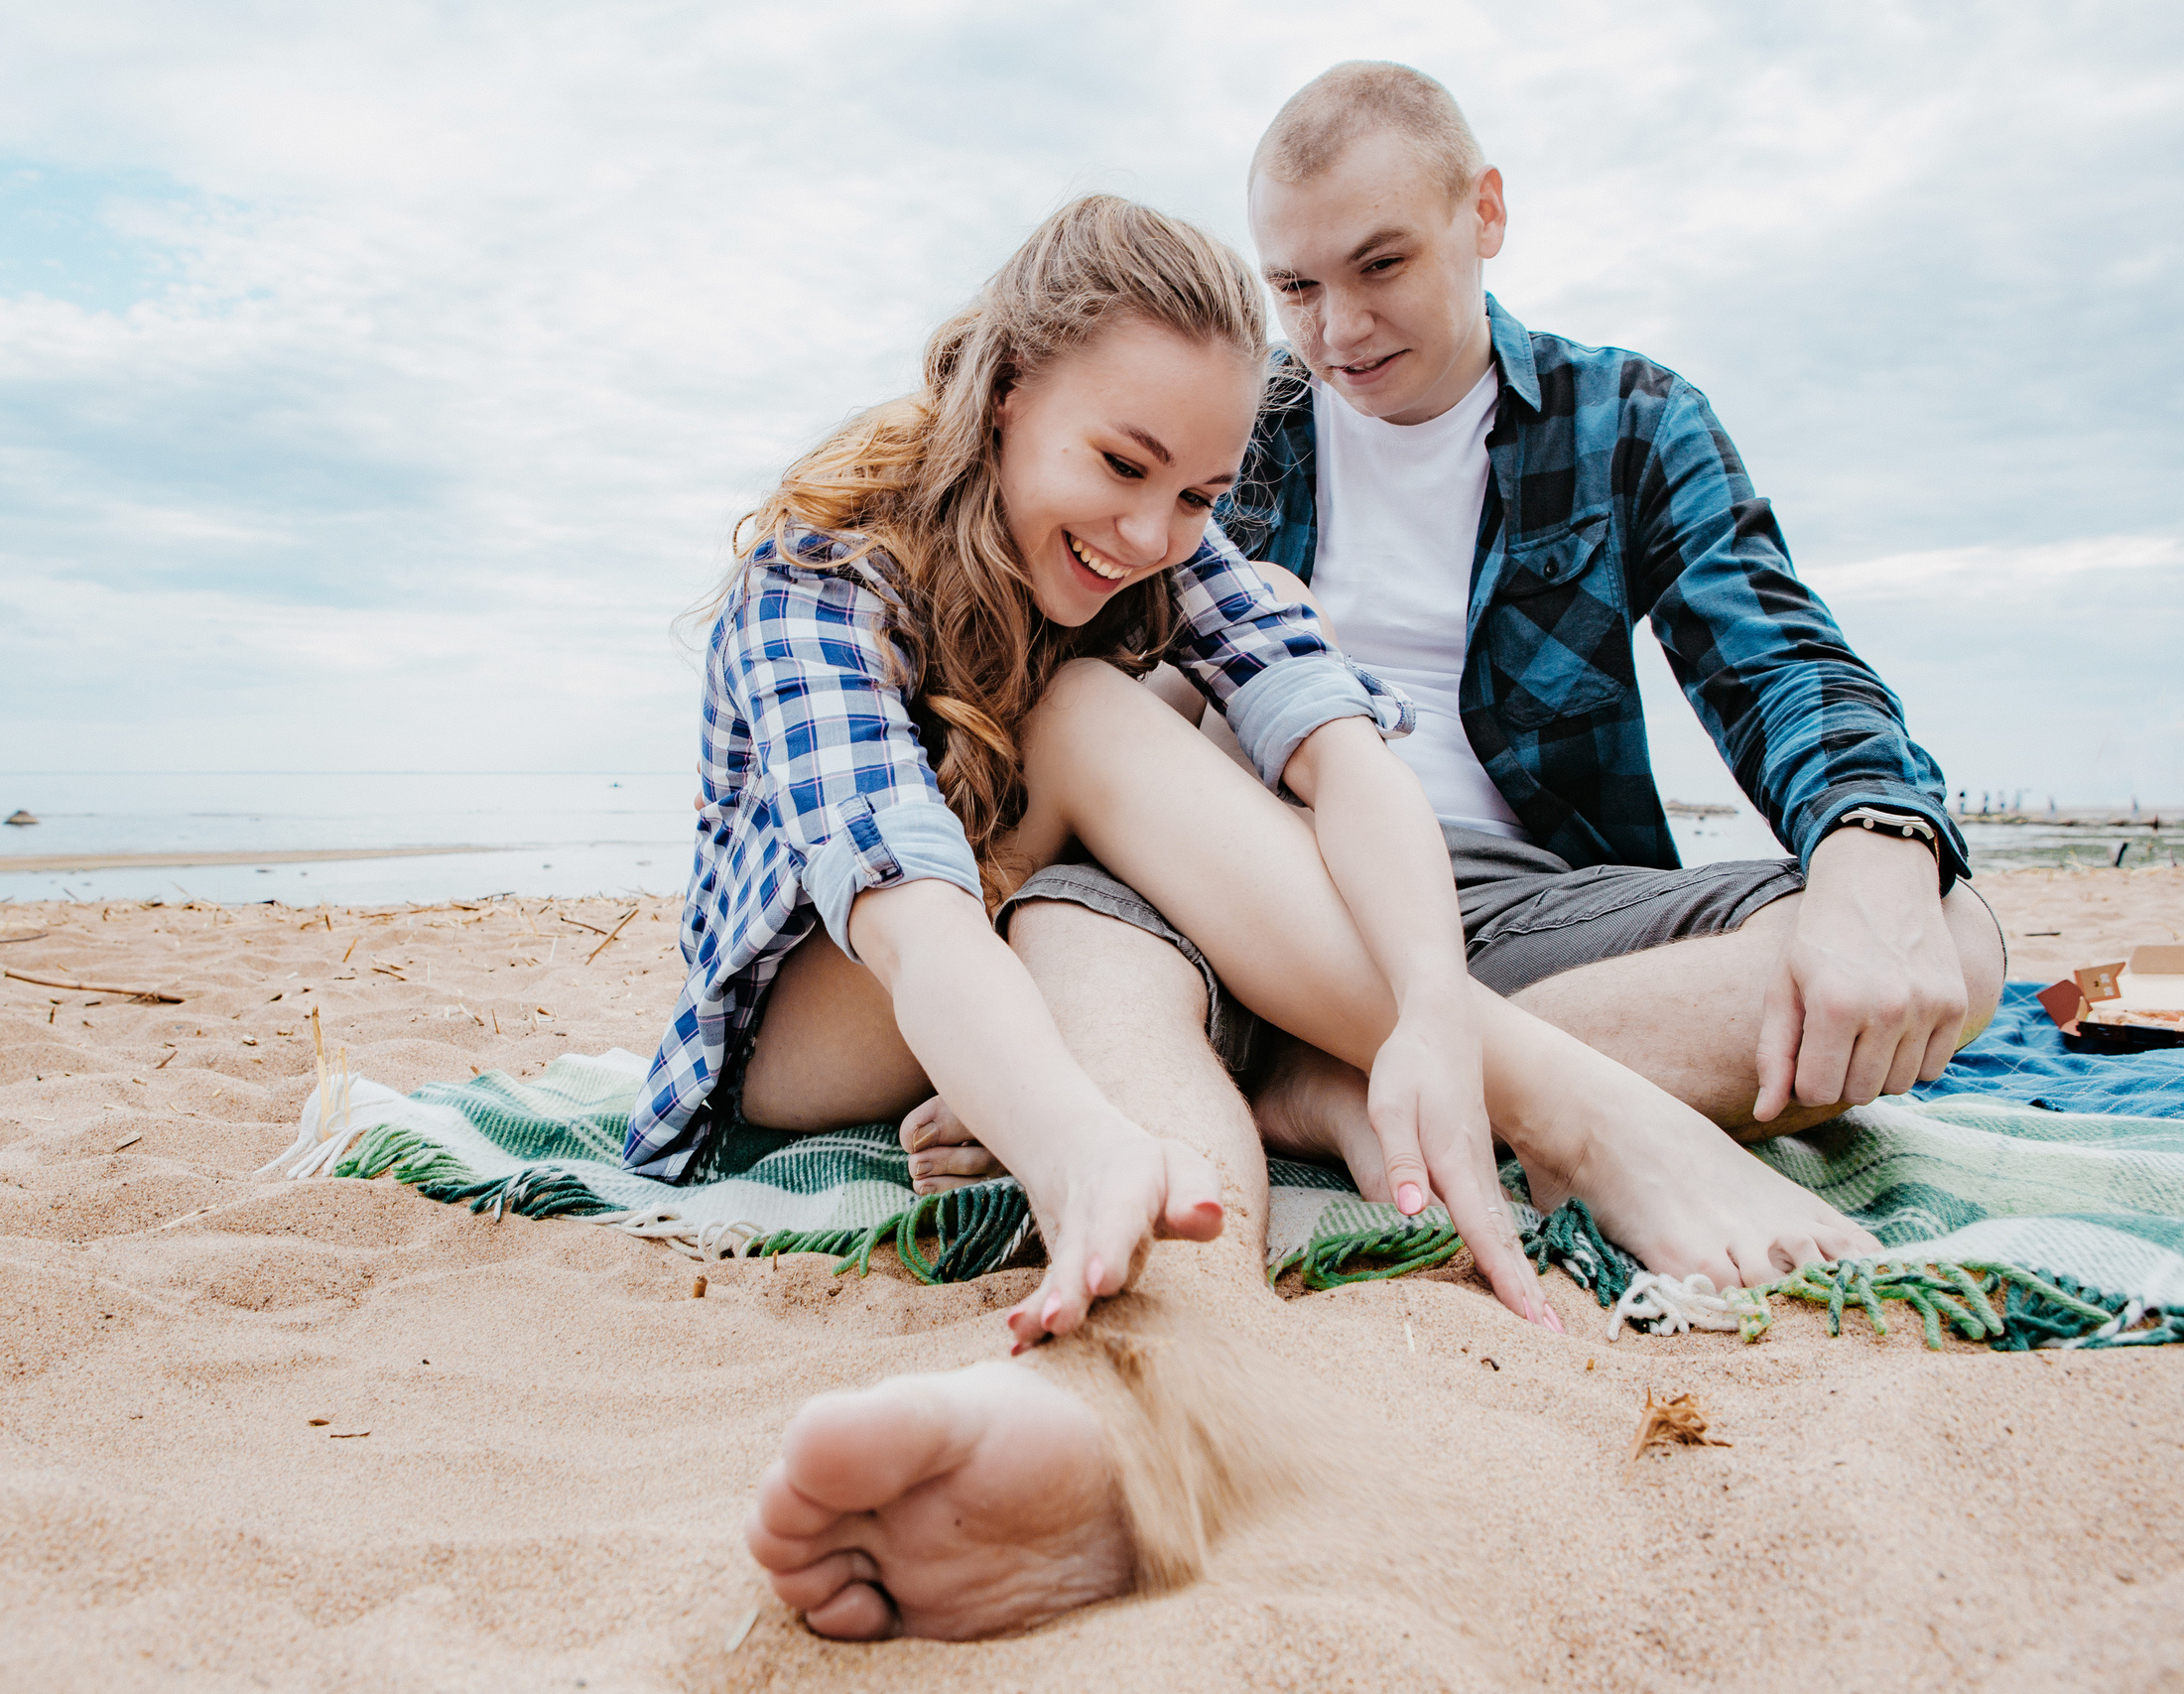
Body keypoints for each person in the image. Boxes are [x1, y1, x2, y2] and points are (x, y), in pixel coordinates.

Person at [640, 194, 1870, 1640]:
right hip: (824, 1012)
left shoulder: (1172, 530)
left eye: (1199, 492)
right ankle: (1566, 1103)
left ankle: (1332, 1065)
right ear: (1007, 386)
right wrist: (1071, 1133)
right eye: (1120, 463)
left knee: (1222, 681)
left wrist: (1422, 1008)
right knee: (1094, 701)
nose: (1151, 528)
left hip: (1022, 931)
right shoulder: (820, 576)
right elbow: (909, 913)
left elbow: (1344, 753)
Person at [909, 63, 2006, 1253]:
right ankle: (1391, 1070)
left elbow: (1778, 662)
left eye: (1380, 266)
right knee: (1079, 938)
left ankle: (1314, 1077)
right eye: (1295, 287)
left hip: (1519, 907)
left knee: (1944, 942)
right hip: (1222, 893)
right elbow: (1072, 698)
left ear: (1482, 214)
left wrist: (1875, 846)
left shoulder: (1626, 420)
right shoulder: (1219, 433)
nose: (1336, 330)